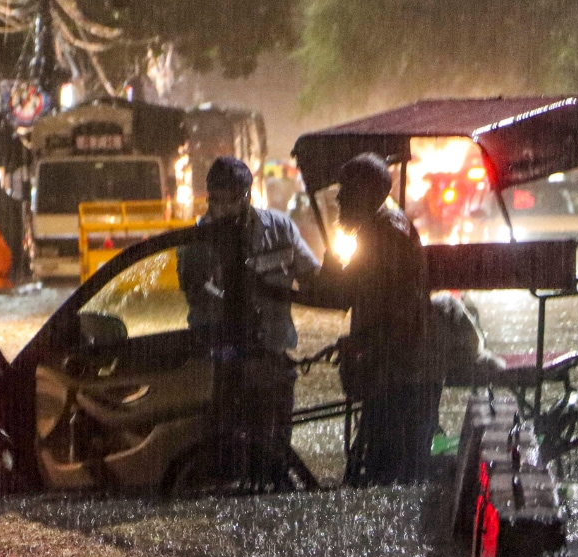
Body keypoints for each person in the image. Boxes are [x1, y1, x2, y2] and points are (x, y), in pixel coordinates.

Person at [177, 156, 319, 491]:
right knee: (224, 459)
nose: (224, 208)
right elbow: (195, 294)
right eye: (216, 200)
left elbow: (312, 277)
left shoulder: (280, 229)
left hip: (271, 356)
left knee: (273, 453)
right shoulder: (196, 241)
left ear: (248, 195)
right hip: (220, 364)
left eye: (232, 199)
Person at [301, 154, 438, 486]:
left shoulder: (385, 235)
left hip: (399, 372)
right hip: (389, 364)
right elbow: (346, 293)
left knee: (382, 475)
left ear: (367, 193)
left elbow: (382, 304)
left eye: (346, 190)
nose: (338, 199)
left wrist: (361, 341)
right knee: (375, 468)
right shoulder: (376, 231)